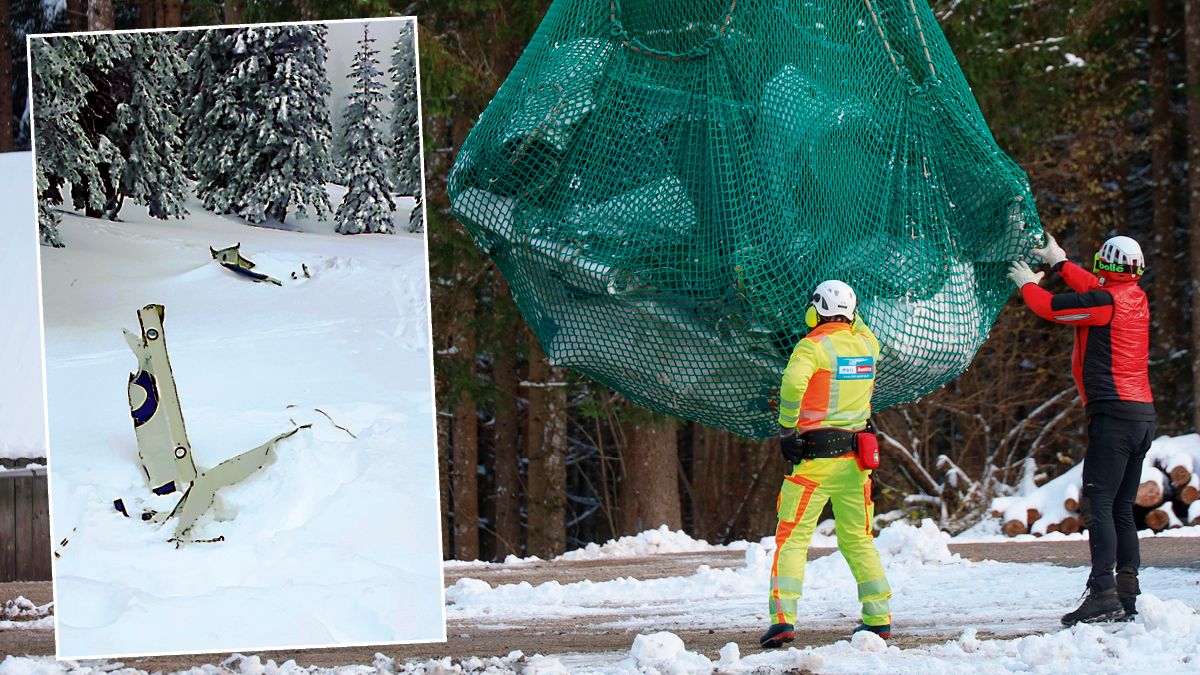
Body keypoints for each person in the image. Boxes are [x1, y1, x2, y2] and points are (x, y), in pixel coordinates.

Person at [1008, 234, 1155, 626]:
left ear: (1105, 264)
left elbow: (1053, 308)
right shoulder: (1134, 297)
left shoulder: (1105, 303)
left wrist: (1027, 285)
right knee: (1122, 508)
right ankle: (1127, 593)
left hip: (1114, 417)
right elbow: (1095, 287)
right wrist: (1060, 263)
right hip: (1141, 415)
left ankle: (1103, 592)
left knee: (1098, 505)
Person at [760, 280, 892, 649]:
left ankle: (783, 620)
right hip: (855, 464)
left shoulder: (811, 346)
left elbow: (791, 382)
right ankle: (878, 618)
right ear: (852, 313)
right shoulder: (868, 345)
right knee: (858, 540)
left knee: (793, 539)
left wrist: (787, 429)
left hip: (814, 463)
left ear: (815, 310)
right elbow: (860, 325)